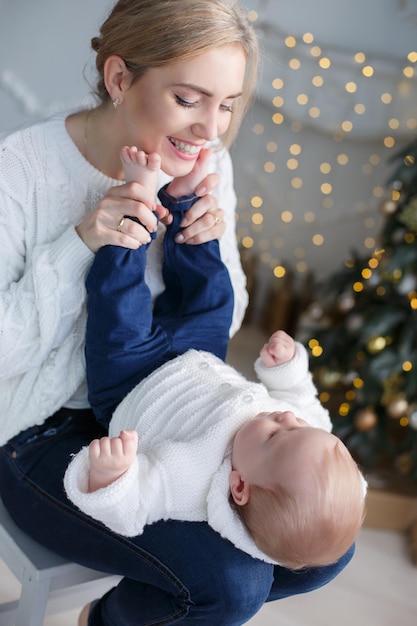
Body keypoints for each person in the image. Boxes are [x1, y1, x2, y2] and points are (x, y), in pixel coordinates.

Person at [0, 2, 357, 625]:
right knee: (232, 587)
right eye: (190, 99)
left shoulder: (204, 159)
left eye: (226, 104)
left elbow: (224, 313)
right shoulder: (19, 171)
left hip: (171, 406)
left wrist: (207, 242)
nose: (209, 130)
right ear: (119, 79)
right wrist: (83, 241)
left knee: (327, 551)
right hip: (42, 432)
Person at [64, 146, 366, 575]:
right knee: (214, 300)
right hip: (200, 356)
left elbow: (131, 510)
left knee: (118, 301)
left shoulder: (190, 482)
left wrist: (111, 477)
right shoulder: (303, 434)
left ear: (238, 484)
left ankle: (139, 203)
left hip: (131, 380)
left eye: (275, 435)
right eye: (298, 425)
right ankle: (185, 201)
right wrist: (286, 367)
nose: (285, 417)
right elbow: (300, 396)